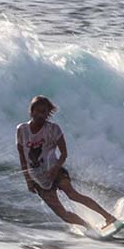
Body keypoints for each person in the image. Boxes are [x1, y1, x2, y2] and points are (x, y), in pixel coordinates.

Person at [16, 95, 116, 228]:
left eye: (44, 112)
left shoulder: (53, 129)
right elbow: (22, 157)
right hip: (38, 179)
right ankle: (89, 227)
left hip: (56, 171)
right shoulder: (21, 130)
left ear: (48, 114)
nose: (41, 115)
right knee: (62, 214)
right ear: (31, 111)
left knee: (73, 195)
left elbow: (64, 153)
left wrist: (55, 168)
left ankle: (109, 217)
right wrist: (28, 180)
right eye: (38, 111)